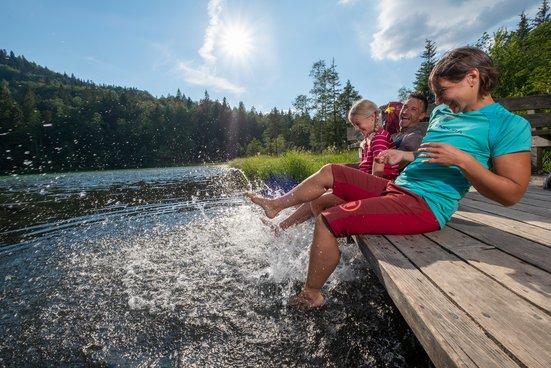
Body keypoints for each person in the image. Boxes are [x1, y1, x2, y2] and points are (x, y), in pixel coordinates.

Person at [248, 46, 532, 308]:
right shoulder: (443, 113)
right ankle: (276, 206)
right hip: (398, 188)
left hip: (425, 205)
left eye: (443, 91)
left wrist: (465, 161)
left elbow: (512, 193)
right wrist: (405, 156)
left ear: (473, 78)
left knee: (328, 219)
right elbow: (430, 156)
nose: (437, 101)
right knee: (330, 171)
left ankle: (311, 295)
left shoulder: (508, 125)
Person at [274, 99, 399, 231]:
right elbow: (365, 167)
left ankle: (324, 236)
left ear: (372, 117)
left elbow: (376, 179)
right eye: (353, 125)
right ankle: (283, 224)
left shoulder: (379, 139)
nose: (356, 129)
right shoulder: (371, 138)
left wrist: (347, 184)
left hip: (381, 193)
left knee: (317, 201)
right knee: (318, 190)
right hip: (372, 187)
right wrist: (339, 168)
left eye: (357, 123)